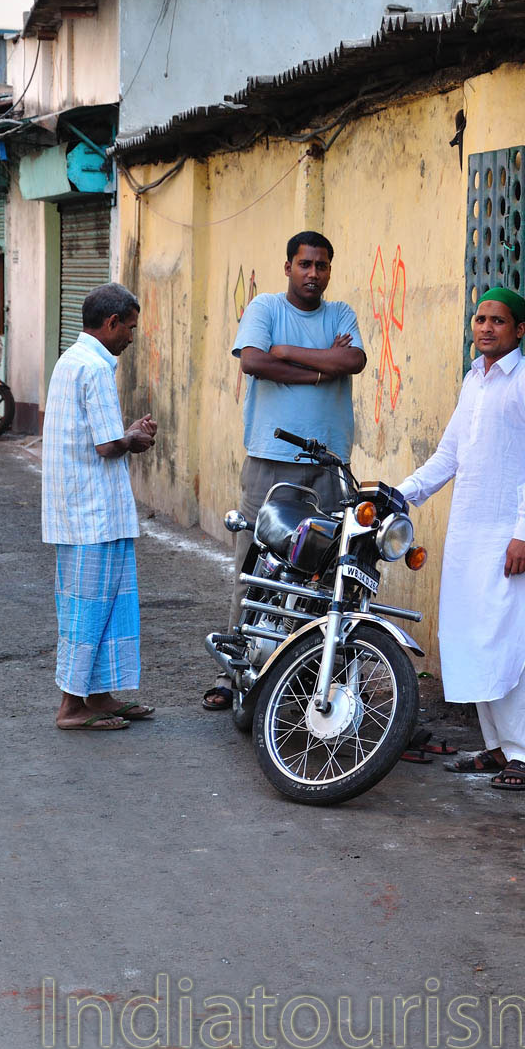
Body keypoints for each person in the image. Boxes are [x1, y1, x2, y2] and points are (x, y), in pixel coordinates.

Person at [397, 286, 525, 791]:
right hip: (469, 536)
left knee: (515, 644)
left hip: (513, 539)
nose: (486, 328)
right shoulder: (474, 381)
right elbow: (448, 456)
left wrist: (523, 533)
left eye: (498, 320)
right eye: (480, 319)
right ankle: (495, 750)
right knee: (477, 641)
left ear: (519, 330)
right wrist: (396, 493)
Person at [203, 230, 366, 710]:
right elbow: (253, 360)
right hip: (270, 464)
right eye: (304, 264)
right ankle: (233, 674)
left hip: (330, 466)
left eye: (321, 266)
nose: (313, 274)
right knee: (254, 567)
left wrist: (288, 353)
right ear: (288, 266)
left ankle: (303, 677)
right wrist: (322, 368)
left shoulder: (341, 315)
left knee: (325, 575)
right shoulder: (267, 309)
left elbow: (353, 359)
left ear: (329, 270)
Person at [41, 283, 157, 731]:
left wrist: (126, 434)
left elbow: (103, 438)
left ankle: (100, 696)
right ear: (110, 324)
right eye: (129, 327)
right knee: (89, 609)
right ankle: (72, 706)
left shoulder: (73, 360)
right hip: (92, 515)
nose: (131, 336)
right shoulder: (95, 367)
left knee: (105, 606)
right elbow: (109, 445)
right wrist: (135, 438)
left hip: (83, 512)